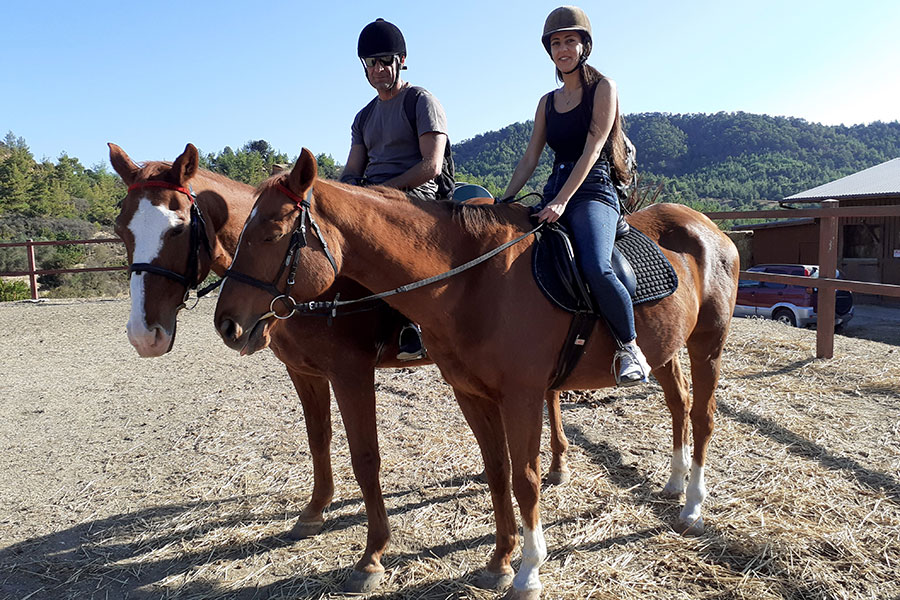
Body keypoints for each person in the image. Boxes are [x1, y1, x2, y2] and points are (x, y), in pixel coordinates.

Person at [501, 5, 651, 386]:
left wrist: (563, 202)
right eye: (556, 43)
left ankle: (628, 347)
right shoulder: (547, 103)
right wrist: (504, 200)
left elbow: (594, 146)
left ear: (585, 46)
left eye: (571, 41)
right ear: (549, 51)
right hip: (555, 187)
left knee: (595, 265)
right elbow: (530, 157)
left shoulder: (604, 88)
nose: (563, 49)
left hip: (594, 190)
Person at [340, 18, 450, 360]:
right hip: (372, 198)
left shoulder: (420, 101)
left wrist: (379, 194)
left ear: (401, 59)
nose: (378, 68)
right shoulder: (363, 117)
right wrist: (333, 195)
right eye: (370, 62)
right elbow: (352, 170)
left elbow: (431, 165)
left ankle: (410, 324)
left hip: (416, 196)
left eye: (385, 60)